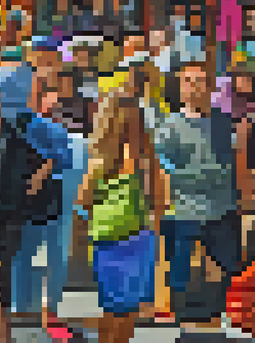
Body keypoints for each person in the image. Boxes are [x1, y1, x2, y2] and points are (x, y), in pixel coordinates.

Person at [154, 61, 242, 323]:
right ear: (180, 87)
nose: (193, 87)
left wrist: (241, 198)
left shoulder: (223, 123)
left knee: (230, 267)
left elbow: (235, 163)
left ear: (210, 87)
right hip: (183, 210)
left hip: (222, 208)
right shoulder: (168, 126)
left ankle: (226, 314)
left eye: (199, 81)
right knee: (179, 270)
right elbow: (163, 168)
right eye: (188, 81)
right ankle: (181, 316)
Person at [79, 96, 162, 343]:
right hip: (123, 241)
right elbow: (158, 200)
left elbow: (83, 201)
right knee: (120, 311)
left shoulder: (132, 161)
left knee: (119, 310)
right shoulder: (107, 162)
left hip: (123, 241)